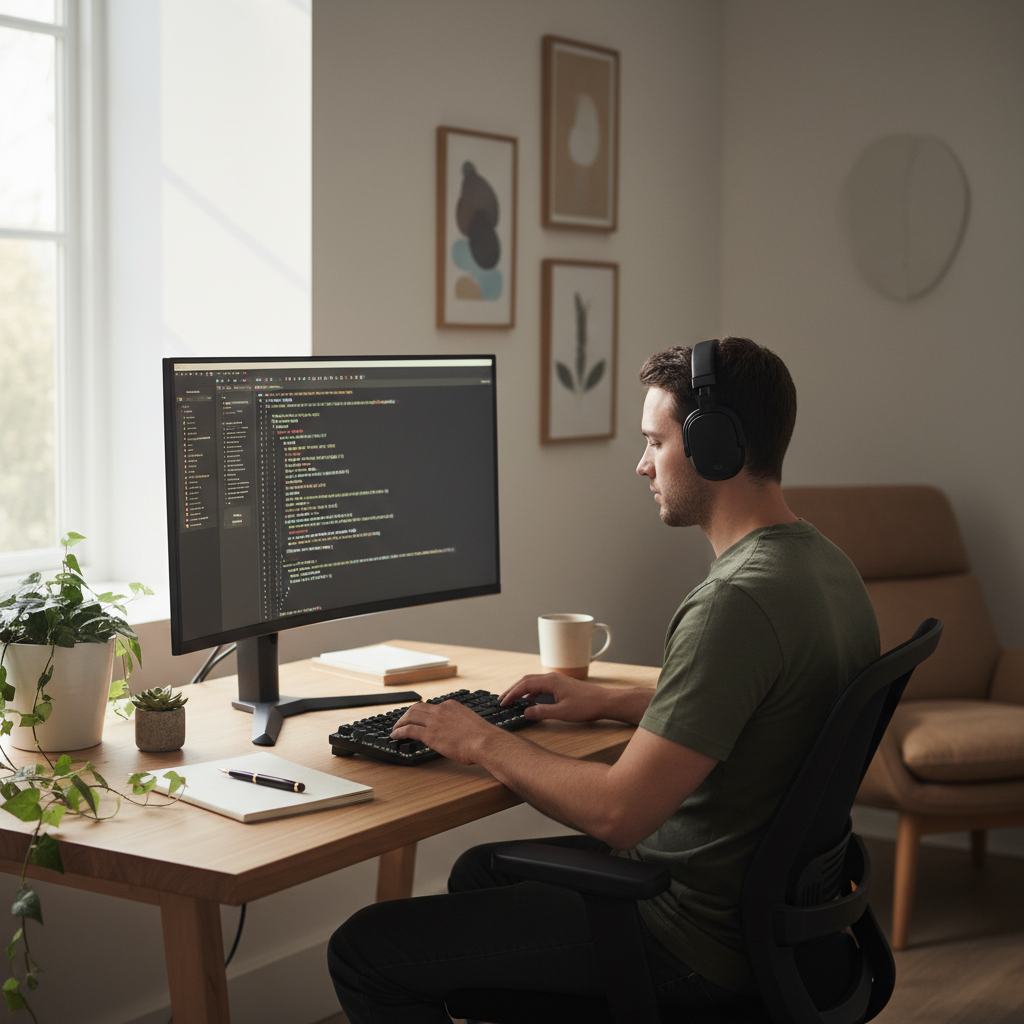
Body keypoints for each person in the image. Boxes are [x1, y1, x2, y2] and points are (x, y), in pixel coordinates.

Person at [327, 337, 879, 1022]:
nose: (642, 465)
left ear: (714, 447)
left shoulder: (733, 602)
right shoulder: (825, 568)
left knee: (362, 951)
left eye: (655, 442)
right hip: (775, 917)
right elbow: (766, 712)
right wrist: (610, 701)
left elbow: (620, 813)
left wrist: (479, 740)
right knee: (479, 872)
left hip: (693, 938)